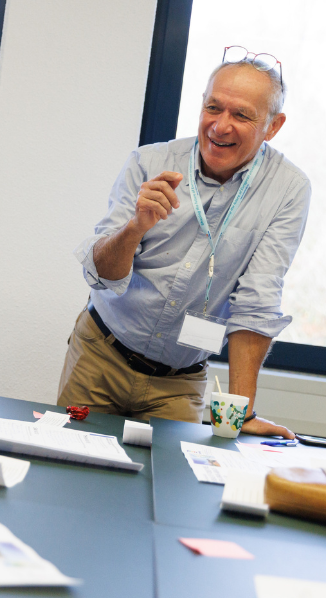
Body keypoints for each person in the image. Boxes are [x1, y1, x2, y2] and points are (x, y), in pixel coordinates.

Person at [58, 48, 310, 439]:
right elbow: (102, 276)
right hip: (101, 355)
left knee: (171, 476)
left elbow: (257, 301)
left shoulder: (288, 189)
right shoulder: (148, 163)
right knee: (72, 462)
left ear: (272, 126)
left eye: (241, 115)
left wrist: (241, 413)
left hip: (180, 382)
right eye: (213, 108)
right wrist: (135, 228)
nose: (220, 127)